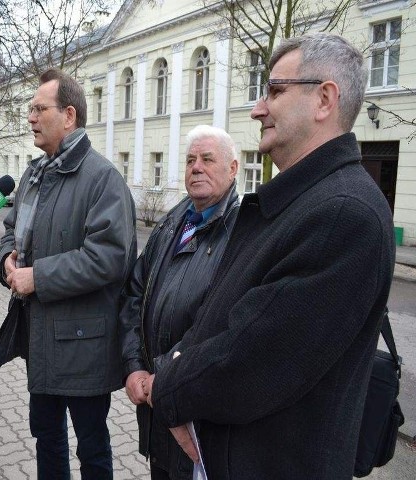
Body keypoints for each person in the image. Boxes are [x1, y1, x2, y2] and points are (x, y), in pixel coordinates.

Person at [143, 33, 395, 479]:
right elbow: (217, 319)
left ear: (324, 99)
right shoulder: (301, 202)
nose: (259, 108)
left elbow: (250, 360)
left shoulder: (342, 214)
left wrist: (166, 389)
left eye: (275, 91)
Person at [0, 68, 136, 479]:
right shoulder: (34, 173)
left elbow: (109, 257)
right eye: (30, 109)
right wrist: (7, 259)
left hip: (84, 347)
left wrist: (37, 276)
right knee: (47, 438)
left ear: (69, 115)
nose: (31, 118)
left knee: (91, 447)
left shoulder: (103, 178)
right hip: (40, 339)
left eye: (39, 109)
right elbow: (10, 228)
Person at [119, 125, 240, 479]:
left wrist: (167, 384)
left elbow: (221, 327)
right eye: (190, 160)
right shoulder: (173, 221)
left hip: (200, 414)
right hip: (155, 402)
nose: (196, 167)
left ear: (233, 169)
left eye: (206, 159)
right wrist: (134, 366)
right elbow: (133, 293)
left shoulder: (243, 230)